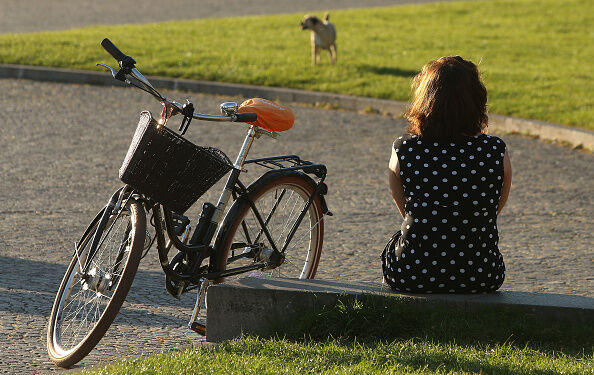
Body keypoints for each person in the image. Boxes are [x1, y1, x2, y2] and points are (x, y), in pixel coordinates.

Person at [382, 56, 512, 294]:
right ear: (477, 101)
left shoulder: (404, 149)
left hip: (412, 272)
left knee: (401, 237)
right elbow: (492, 209)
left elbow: (406, 209)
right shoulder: (495, 150)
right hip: (481, 273)